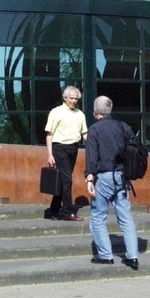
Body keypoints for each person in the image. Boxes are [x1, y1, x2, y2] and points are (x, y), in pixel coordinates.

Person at [83, 95, 139, 270]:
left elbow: (91, 156)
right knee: (125, 218)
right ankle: (133, 256)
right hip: (122, 177)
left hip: (104, 177)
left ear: (95, 111)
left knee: (99, 217)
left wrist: (89, 177)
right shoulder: (123, 127)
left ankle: (106, 256)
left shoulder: (94, 130)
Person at [44, 86, 88, 221]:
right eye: (71, 98)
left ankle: (53, 211)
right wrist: (50, 154)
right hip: (60, 148)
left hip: (73, 148)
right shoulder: (56, 112)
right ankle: (69, 212)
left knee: (63, 181)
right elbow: (49, 134)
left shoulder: (80, 114)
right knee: (67, 179)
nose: (74, 101)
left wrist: (94, 146)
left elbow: (84, 133)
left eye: (76, 99)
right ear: (65, 98)